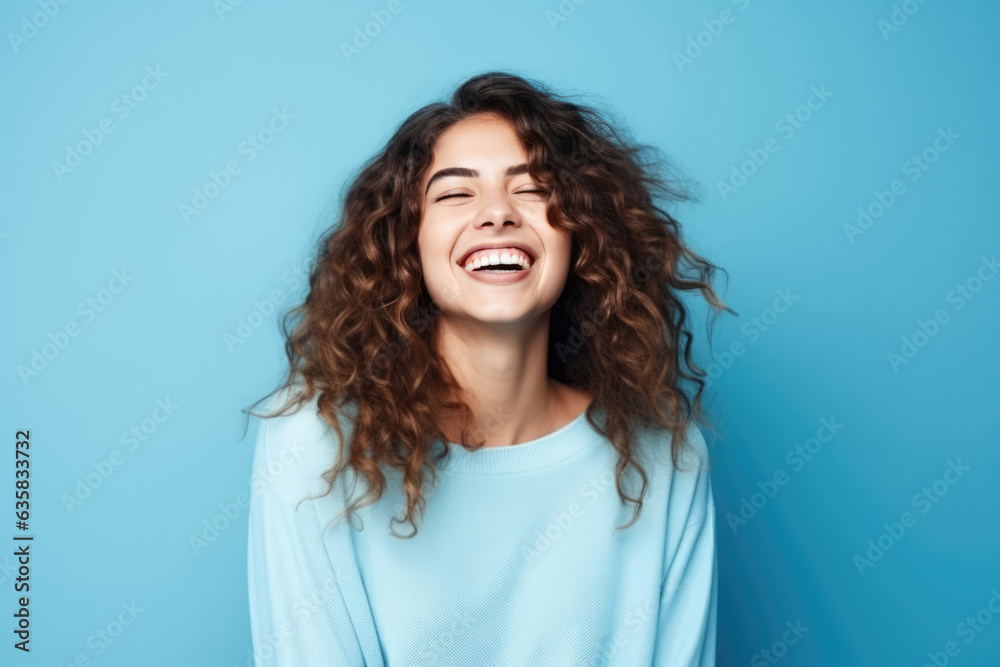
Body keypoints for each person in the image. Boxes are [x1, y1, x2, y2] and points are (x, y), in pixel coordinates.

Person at [243, 71, 732, 666]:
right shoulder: (315, 442)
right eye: (454, 194)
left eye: (532, 189)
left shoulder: (665, 456)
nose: (497, 213)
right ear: (407, 243)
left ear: (581, 232)